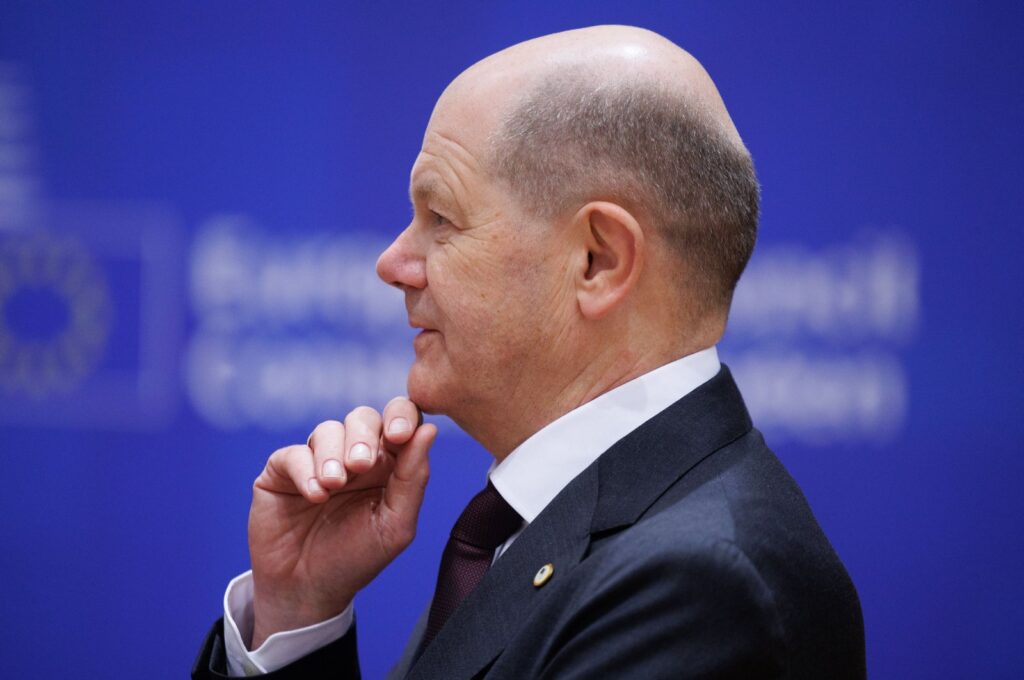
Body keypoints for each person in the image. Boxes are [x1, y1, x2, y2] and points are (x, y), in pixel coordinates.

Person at [193, 25, 865, 679]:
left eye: (441, 219)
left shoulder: (699, 588)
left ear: (598, 260)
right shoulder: (543, 531)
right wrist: (299, 614)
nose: (392, 262)